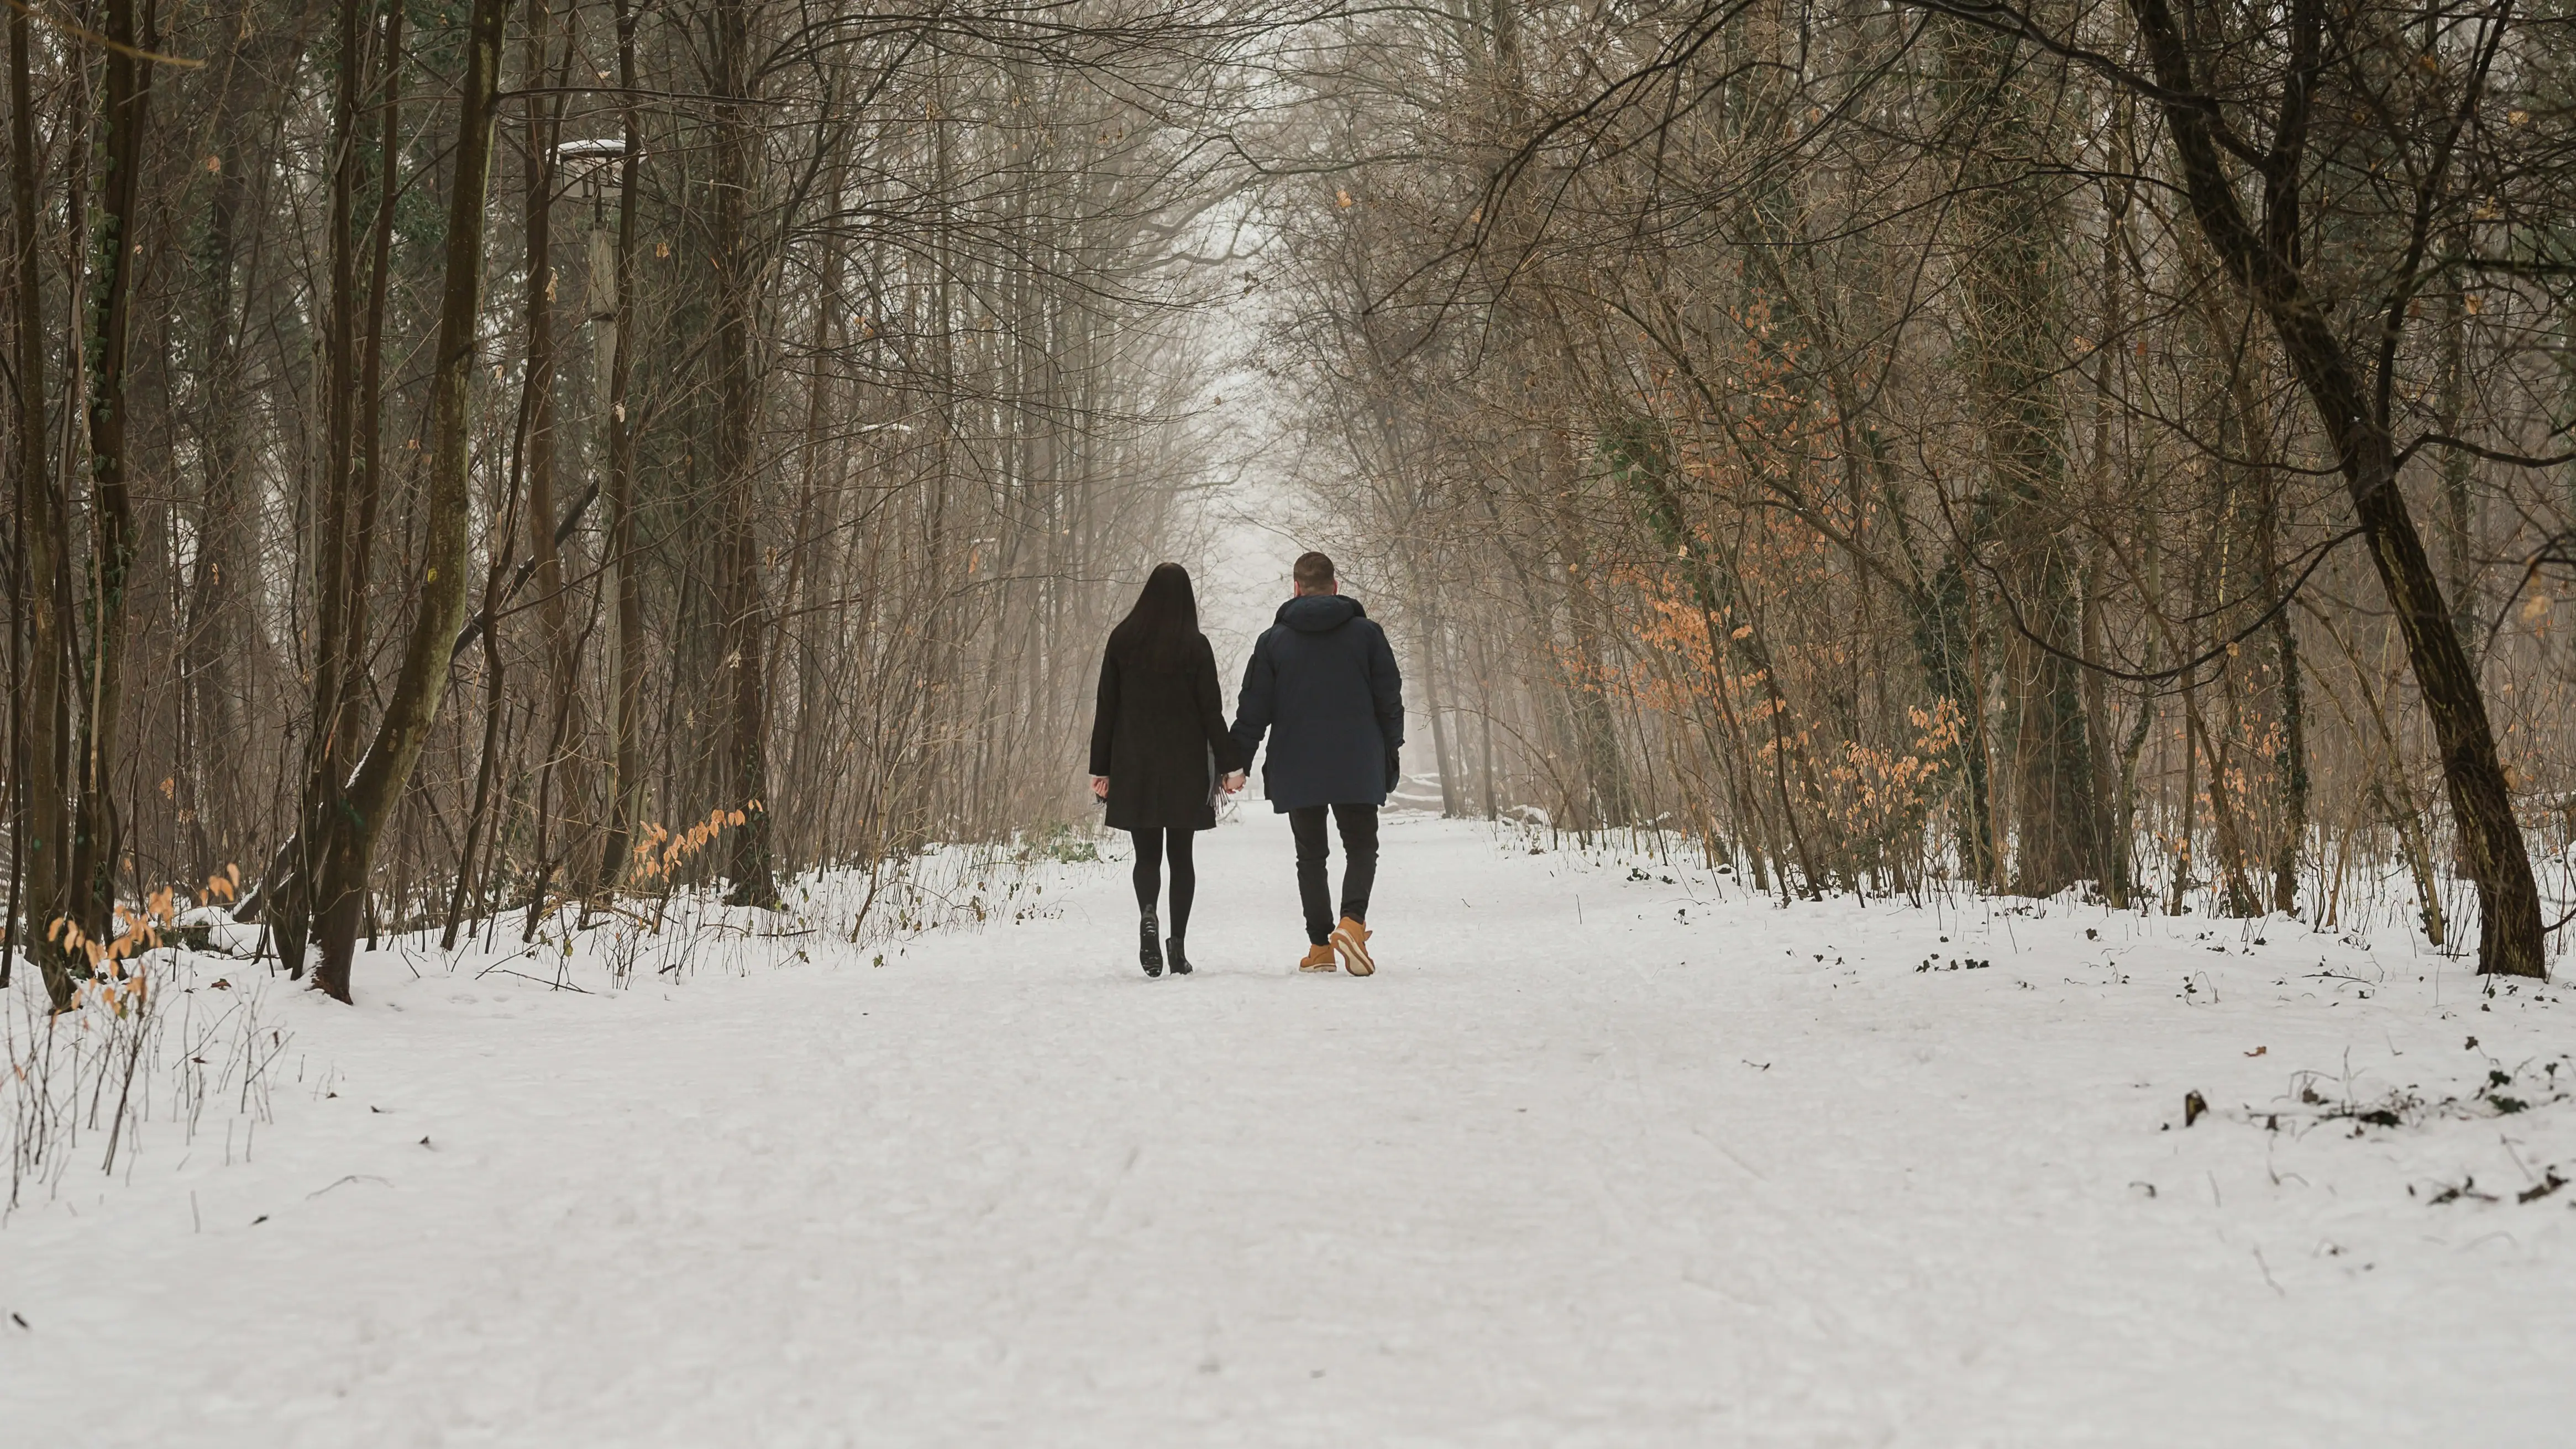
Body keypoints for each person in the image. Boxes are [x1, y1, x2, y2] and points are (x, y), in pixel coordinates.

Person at [1230, 551, 1403, 975]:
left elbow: (1253, 709)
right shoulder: (1367, 635)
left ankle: (1320, 948)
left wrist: (1237, 763)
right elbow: (1389, 697)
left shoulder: (1273, 641)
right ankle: (1352, 923)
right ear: (1335, 586)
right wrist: (1389, 748)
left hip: (1297, 760)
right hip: (1357, 757)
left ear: (1295, 588)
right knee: (1361, 846)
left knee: (1311, 856)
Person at [1088, 563, 1247, 978]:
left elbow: (1107, 707)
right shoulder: (1195, 646)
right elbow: (1211, 712)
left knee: (1146, 855)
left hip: (1134, 762)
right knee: (1181, 857)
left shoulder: (1122, 640)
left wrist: (1100, 768)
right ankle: (1177, 946)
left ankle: (1148, 913)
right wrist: (1231, 766)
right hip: (1185, 765)